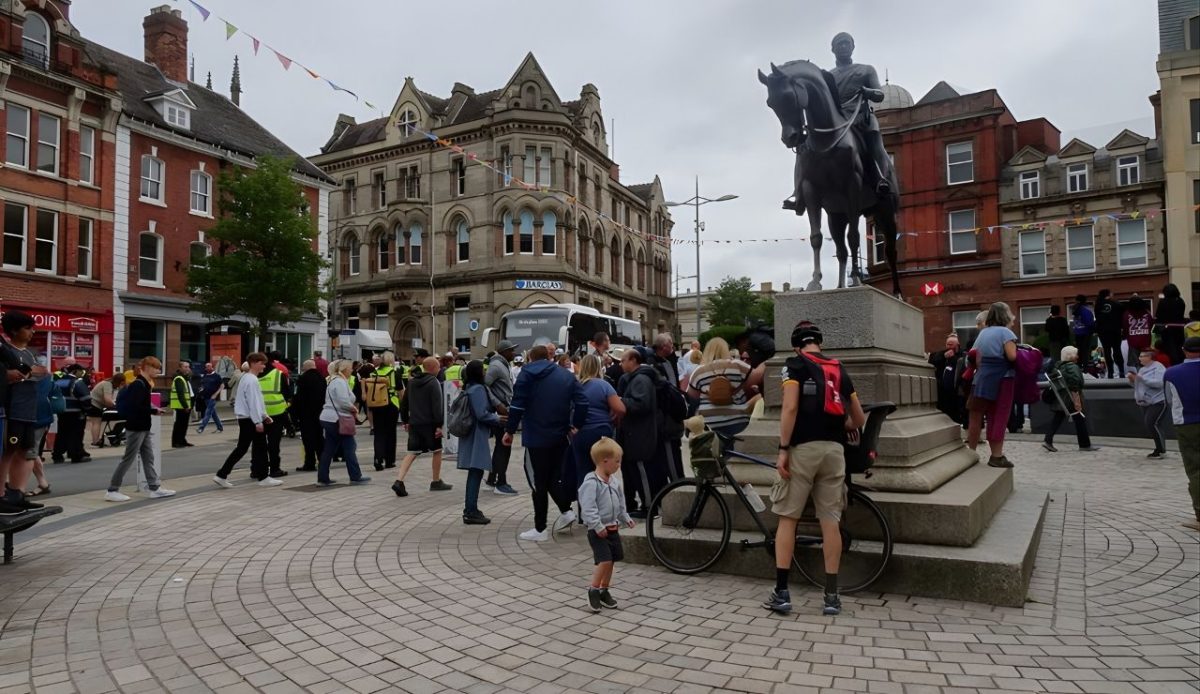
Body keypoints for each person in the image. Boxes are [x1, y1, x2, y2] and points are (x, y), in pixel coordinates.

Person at [764, 321, 866, 616]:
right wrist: (843, 426)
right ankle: (831, 596)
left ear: (797, 345)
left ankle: (782, 592)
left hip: (802, 450)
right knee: (830, 520)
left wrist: (783, 449)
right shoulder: (838, 368)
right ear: (819, 343)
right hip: (834, 451)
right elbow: (858, 417)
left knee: (788, 518)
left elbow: (790, 408)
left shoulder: (794, 365)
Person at [503, 345, 589, 541]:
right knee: (553, 477)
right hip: (560, 434)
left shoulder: (526, 375)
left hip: (536, 436)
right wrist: (577, 425)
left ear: (531, 358)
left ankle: (540, 529)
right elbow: (582, 402)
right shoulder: (565, 375)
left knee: (538, 482)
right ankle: (566, 510)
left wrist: (509, 430)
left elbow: (517, 405)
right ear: (549, 357)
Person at [826, 32, 893, 195]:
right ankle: (801, 190)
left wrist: (867, 91)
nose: (843, 47)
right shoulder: (829, 76)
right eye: (839, 44)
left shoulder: (866, 70)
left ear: (852, 47)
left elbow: (879, 94)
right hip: (837, 120)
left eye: (846, 43)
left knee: (874, 137)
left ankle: (882, 178)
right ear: (833, 49)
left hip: (861, 116)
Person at [105, 356, 176, 501]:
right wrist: (153, 411)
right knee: (128, 459)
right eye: (156, 368)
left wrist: (152, 410)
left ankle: (154, 488)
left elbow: (139, 405)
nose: (158, 371)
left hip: (142, 426)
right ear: (147, 367)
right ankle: (112, 490)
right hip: (136, 427)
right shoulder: (139, 384)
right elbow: (136, 406)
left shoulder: (144, 383)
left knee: (148, 458)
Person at [579, 436, 635, 612]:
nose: (619, 465)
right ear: (604, 461)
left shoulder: (614, 482)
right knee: (604, 560)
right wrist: (597, 525)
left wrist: (625, 516)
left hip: (612, 528)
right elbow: (588, 508)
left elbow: (620, 502)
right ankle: (593, 590)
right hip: (598, 532)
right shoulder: (591, 484)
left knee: (611, 561)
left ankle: (604, 590)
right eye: (617, 462)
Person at [0, 310, 47, 513]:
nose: (32, 332)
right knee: (7, 452)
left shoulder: (29, 353)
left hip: (29, 409)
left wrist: (32, 373)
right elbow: (10, 376)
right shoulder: (5, 351)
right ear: (13, 331)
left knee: (25, 453)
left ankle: (17, 493)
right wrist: (29, 373)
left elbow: (40, 373)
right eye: (27, 328)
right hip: (13, 409)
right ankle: (1, 494)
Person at [213, 353, 280, 488]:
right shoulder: (252, 380)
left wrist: (263, 416)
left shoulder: (246, 378)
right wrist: (258, 420)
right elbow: (253, 402)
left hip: (246, 419)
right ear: (254, 363)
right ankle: (263, 477)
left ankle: (222, 474)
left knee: (243, 448)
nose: (264, 366)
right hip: (250, 419)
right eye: (262, 363)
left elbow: (253, 401)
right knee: (259, 447)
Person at [966, 302, 1019, 468]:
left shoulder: (983, 333)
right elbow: (1012, 357)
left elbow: (975, 357)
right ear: (1006, 315)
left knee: (976, 416)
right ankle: (996, 455)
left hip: (981, 379)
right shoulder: (1006, 332)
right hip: (1003, 378)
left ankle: (971, 452)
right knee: (999, 416)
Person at [392, 356, 453, 496]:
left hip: (414, 423)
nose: (439, 369)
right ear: (433, 368)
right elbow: (437, 406)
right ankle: (436, 481)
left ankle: (399, 480)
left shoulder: (411, 383)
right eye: (438, 367)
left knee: (412, 452)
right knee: (437, 450)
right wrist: (439, 425)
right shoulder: (434, 383)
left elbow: (404, 403)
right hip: (430, 424)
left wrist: (406, 421)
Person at [571, 355, 626, 510]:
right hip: (601, 432)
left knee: (583, 472)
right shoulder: (603, 385)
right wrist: (613, 418)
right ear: (598, 367)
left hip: (580, 433)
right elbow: (620, 408)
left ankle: (585, 512)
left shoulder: (575, 385)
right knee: (603, 471)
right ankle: (604, 508)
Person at [616, 347, 661, 519]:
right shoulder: (636, 378)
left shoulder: (641, 379)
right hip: (634, 433)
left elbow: (641, 404)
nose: (621, 363)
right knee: (634, 471)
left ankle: (649, 507)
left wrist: (621, 401)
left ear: (633, 361)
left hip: (641, 434)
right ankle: (642, 505)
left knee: (642, 471)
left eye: (624, 360)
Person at [457, 360, 504, 525]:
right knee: (476, 472)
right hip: (476, 435)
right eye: (483, 370)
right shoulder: (477, 389)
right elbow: (481, 414)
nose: (485, 373)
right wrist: (498, 419)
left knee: (475, 472)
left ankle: (471, 509)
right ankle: (470, 510)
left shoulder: (471, 387)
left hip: (473, 434)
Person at [688, 337, 761, 438]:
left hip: (708, 421)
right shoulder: (737, 365)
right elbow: (757, 377)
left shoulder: (698, 371)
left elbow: (692, 397)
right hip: (737, 418)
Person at [1164, 336, 1200, 531]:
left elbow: (1170, 400)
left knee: (1195, 469)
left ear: (1184, 350)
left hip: (1187, 423)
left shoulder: (1172, 373)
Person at [316, 359, 370, 486]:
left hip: (329, 418)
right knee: (350, 447)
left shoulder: (332, 380)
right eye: (350, 368)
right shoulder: (339, 382)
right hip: (338, 419)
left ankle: (323, 478)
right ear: (344, 369)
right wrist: (354, 408)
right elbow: (343, 401)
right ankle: (355, 476)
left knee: (329, 449)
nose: (352, 370)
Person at [1042, 346, 1100, 453]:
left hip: (1061, 398)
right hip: (1070, 398)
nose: (1078, 356)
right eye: (1076, 354)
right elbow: (1075, 383)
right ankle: (1085, 444)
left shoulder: (1058, 366)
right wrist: (1077, 401)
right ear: (1071, 356)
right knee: (1080, 419)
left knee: (1058, 419)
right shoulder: (1072, 367)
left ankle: (1048, 440)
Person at [484, 340, 519, 496]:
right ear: (504, 351)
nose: (514, 353)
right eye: (511, 350)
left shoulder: (503, 365)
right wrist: (497, 403)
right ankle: (501, 483)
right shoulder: (496, 366)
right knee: (504, 446)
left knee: (501, 445)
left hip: (505, 409)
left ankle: (492, 479)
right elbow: (484, 385)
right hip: (502, 412)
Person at [1128, 349, 1168, 460]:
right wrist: (1132, 380)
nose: (1140, 358)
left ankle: (1160, 450)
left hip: (1158, 401)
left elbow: (1159, 383)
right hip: (1144, 402)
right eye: (1140, 356)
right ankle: (1159, 449)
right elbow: (1138, 385)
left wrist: (1140, 378)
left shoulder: (1158, 367)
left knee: (1152, 423)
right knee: (1151, 425)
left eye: (1142, 356)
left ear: (1150, 357)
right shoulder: (1142, 369)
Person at [51, 364, 92, 463]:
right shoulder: (78, 383)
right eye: (80, 372)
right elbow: (85, 398)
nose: (81, 374)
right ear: (75, 371)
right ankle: (76, 454)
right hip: (76, 412)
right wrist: (87, 409)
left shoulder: (59, 381)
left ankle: (57, 455)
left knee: (62, 433)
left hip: (62, 412)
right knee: (76, 434)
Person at [369, 351, 401, 472]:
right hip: (391, 404)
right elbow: (400, 390)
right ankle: (389, 461)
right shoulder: (394, 372)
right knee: (390, 433)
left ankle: (378, 458)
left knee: (379, 433)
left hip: (377, 405)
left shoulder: (374, 372)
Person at [292, 359, 327, 472]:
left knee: (308, 440)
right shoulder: (322, 378)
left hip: (306, 414)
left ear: (306, 367)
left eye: (303, 366)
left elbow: (299, 398)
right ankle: (323, 460)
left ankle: (309, 463)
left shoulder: (303, 379)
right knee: (319, 437)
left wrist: (295, 414)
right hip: (320, 413)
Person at [258, 355, 289, 478]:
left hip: (258, 414)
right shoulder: (278, 374)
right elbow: (287, 393)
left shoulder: (253, 375)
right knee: (274, 444)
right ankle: (275, 469)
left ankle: (257, 469)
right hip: (277, 413)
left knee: (259, 444)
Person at [929, 334, 964, 423]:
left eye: (951, 344)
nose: (949, 346)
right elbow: (931, 361)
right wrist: (943, 356)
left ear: (957, 345)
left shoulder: (962, 355)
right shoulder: (940, 354)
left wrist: (953, 358)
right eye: (947, 344)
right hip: (941, 390)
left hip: (955, 391)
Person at [88, 373, 125, 447]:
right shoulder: (108, 385)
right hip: (94, 405)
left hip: (93, 403)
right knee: (96, 423)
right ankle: (95, 442)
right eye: (122, 383)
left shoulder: (107, 383)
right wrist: (116, 406)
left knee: (95, 423)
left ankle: (96, 441)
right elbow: (108, 400)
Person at [1095, 289, 1124, 378]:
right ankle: (1121, 371)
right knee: (1117, 350)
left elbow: (1097, 318)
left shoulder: (1098, 304)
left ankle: (1110, 372)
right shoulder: (1116, 304)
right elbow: (1122, 316)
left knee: (1107, 351)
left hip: (1103, 331)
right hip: (1115, 330)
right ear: (1109, 294)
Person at [1156, 283, 1187, 365]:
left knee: (1169, 349)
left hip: (1167, 329)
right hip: (1179, 328)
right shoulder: (1180, 301)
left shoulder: (1163, 302)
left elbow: (1158, 315)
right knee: (1179, 347)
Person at [167, 361, 194, 448]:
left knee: (184, 425)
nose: (187, 369)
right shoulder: (179, 378)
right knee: (179, 424)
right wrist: (185, 406)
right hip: (181, 406)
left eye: (188, 367)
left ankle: (182, 440)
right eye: (185, 367)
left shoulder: (184, 378)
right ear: (180, 368)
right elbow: (180, 393)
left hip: (184, 405)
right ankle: (176, 442)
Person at [1123, 297, 1154, 371]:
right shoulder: (1147, 313)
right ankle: (1147, 376)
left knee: (1137, 363)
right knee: (1146, 361)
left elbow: (1125, 327)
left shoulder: (1126, 314)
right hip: (1145, 340)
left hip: (1132, 341)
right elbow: (1151, 324)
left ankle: (1140, 376)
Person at [195, 363, 225, 434]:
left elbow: (222, 386)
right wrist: (200, 390)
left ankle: (201, 428)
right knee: (213, 413)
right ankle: (220, 427)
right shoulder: (205, 376)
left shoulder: (216, 376)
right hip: (205, 397)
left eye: (209, 366)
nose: (208, 368)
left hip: (212, 397)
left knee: (208, 412)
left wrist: (216, 394)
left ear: (212, 367)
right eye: (206, 367)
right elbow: (202, 385)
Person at [1070, 295, 1095, 372]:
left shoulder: (1074, 309)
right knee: (1086, 351)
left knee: (1079, 351)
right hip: (1086, 333)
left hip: (1077, 332)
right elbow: (1089, 323)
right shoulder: (1085, 310)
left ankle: (1078, 367)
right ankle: (1085, 369)